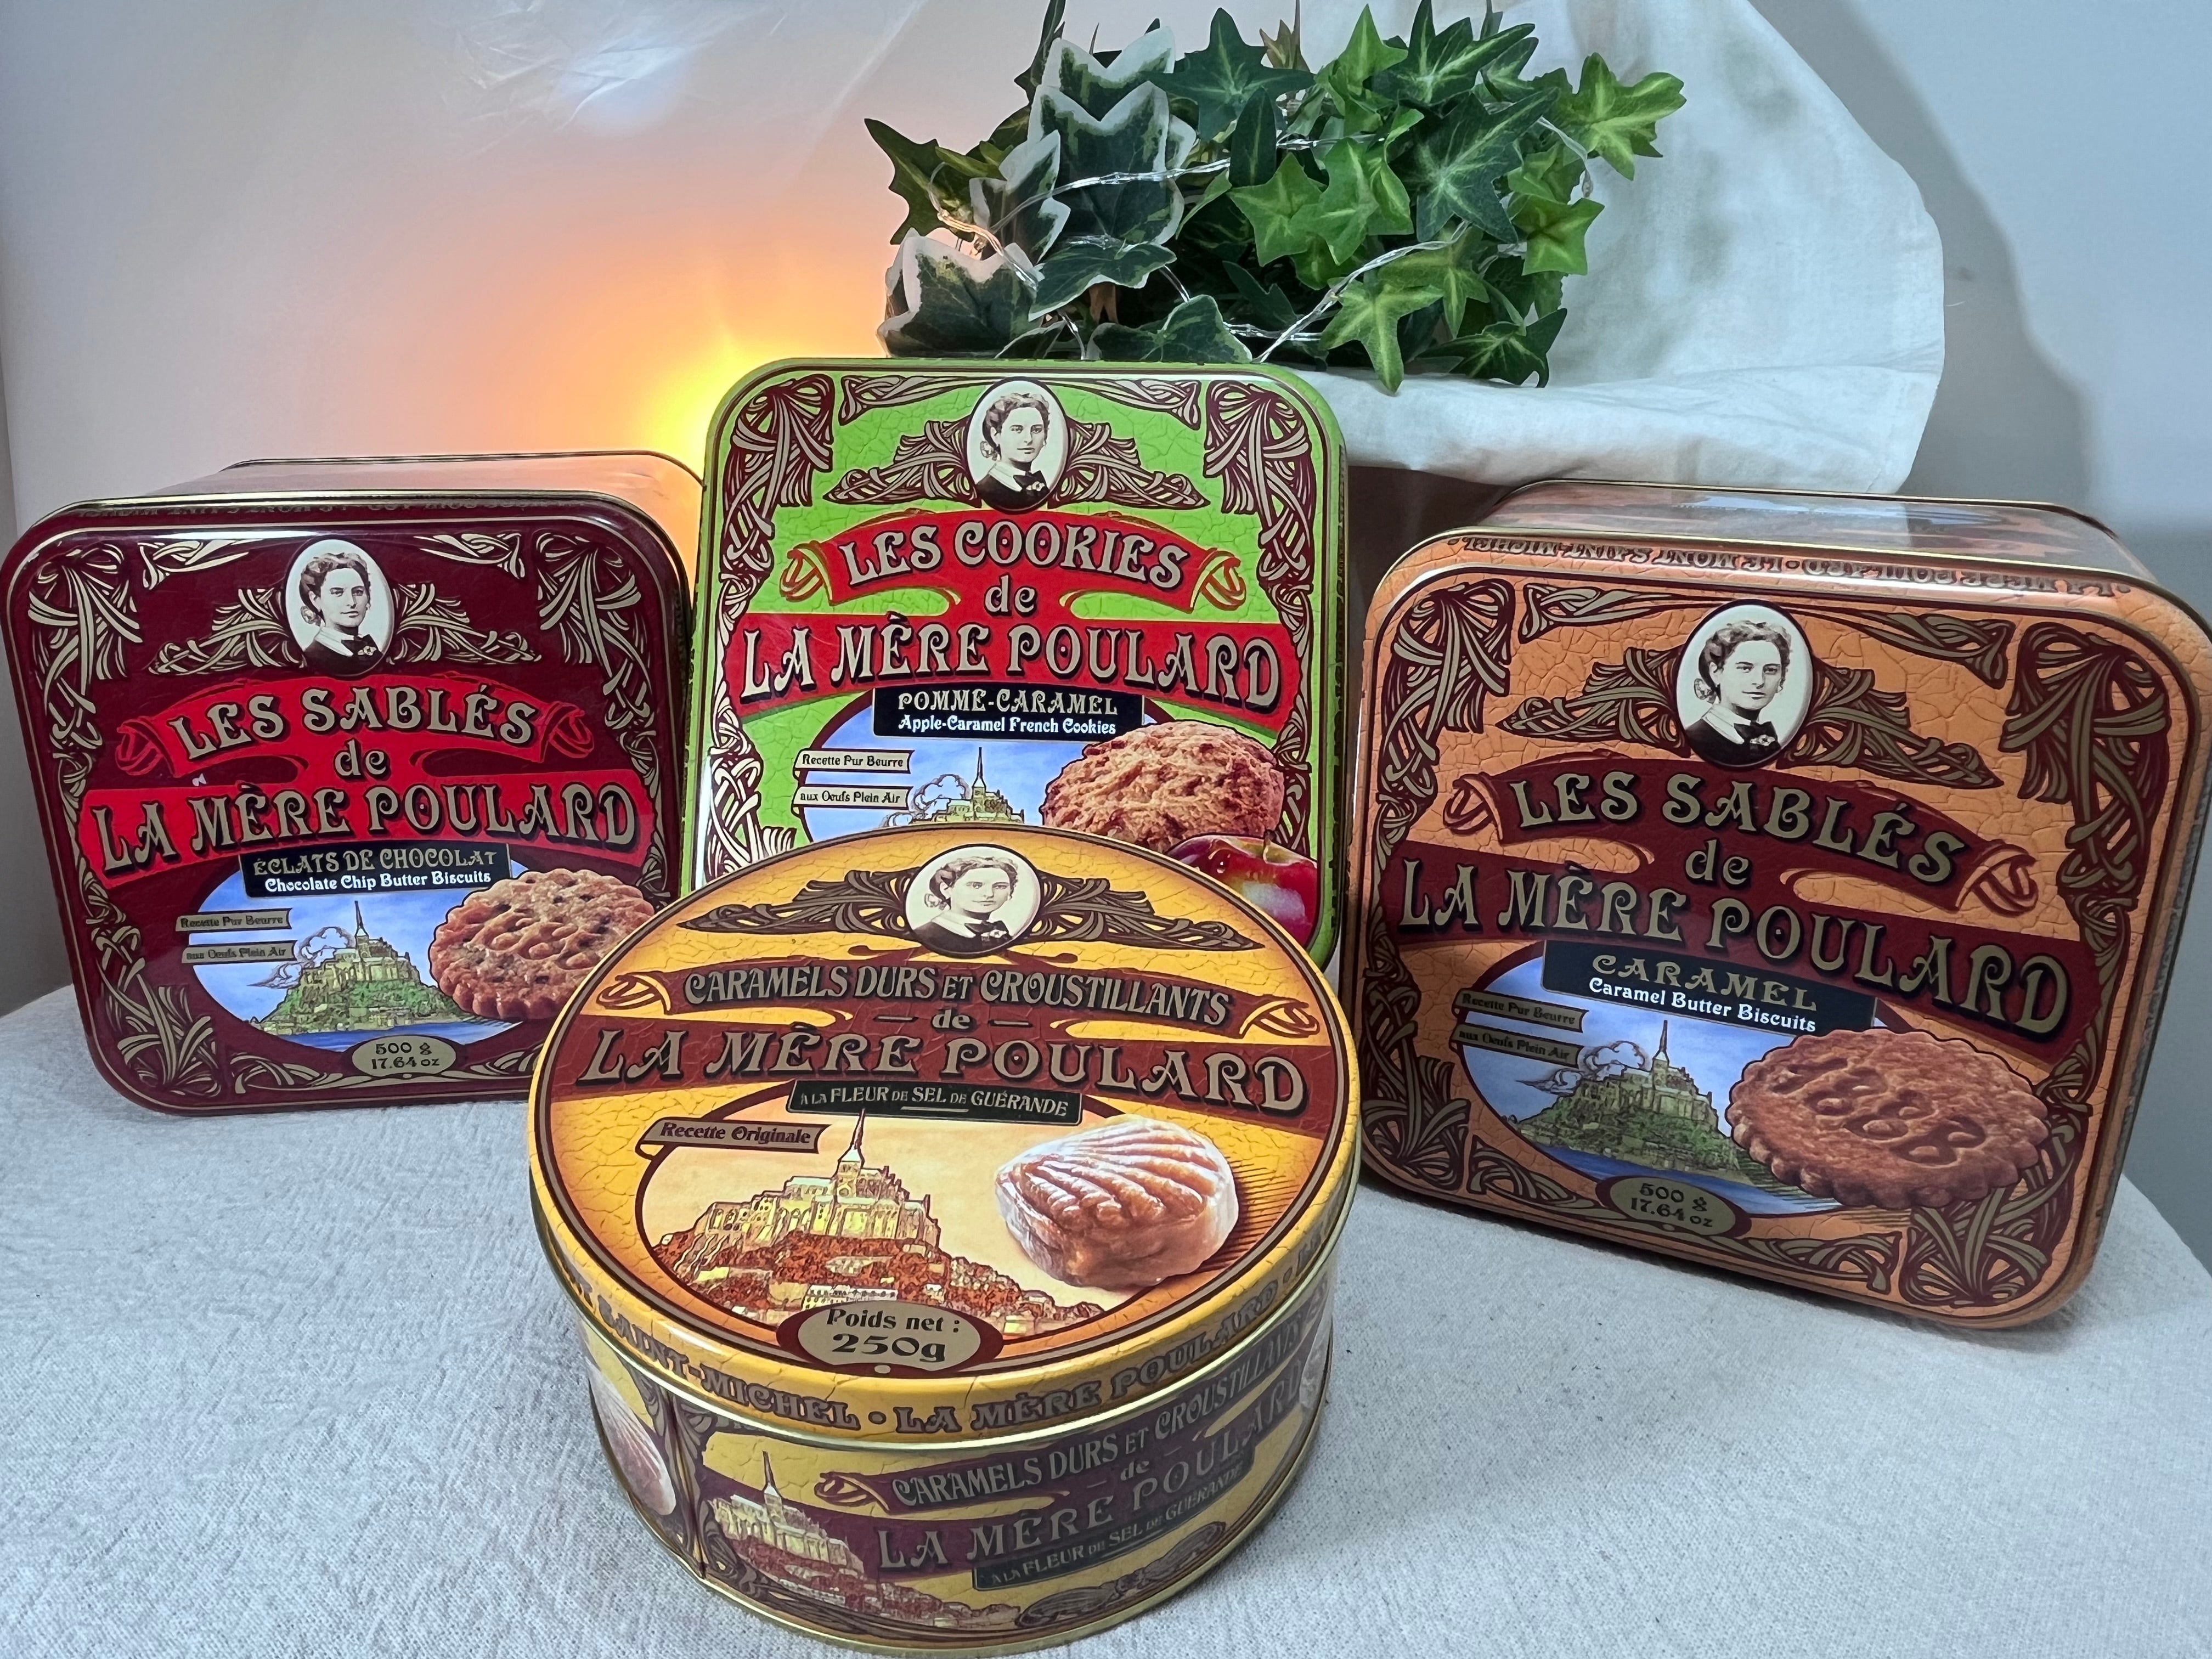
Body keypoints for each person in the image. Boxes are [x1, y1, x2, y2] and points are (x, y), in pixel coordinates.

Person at [1683, 619, 1794, 767]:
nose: (1759, 681)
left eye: (1770, 670)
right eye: (1745, 668)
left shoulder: (1770, 742)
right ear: (1716, 673)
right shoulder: (1696, 738)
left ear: (1781, 679)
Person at [912, 851, 1026, 956]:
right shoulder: (925, 935)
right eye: (976, 885)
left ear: (1010, 892)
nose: (989, 894)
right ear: (946, 889)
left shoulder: (1001, 933)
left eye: (1000, 886)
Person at [295, 542, 385, 674]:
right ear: (315, 600)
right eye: (338, 592)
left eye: (358, 592)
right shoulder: (312, 657)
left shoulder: (374, 654)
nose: (352, 602)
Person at [973, 390, 1054, 510]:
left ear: (1045, 436)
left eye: (1036, 430)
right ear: (996, 435)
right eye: (1017, 429)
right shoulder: (985, 490)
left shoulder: (1041, 487)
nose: (1028, 439)